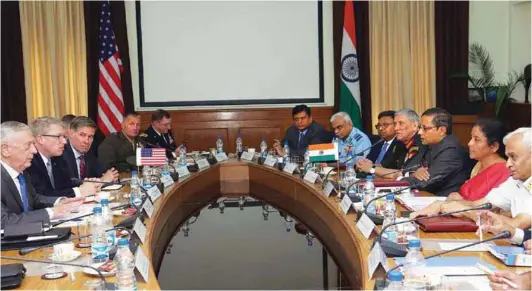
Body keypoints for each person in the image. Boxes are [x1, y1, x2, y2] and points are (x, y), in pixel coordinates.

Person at [414, 128, 532, 230]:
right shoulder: (515, 180)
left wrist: (465, 211)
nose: (508, 164)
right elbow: (481, 204)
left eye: (513, 157)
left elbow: (516, 225)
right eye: (508, 157)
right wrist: (442, 204)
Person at [411, 119, 510, 217]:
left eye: (476, 139)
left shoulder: (504, 171)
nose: (470, 143)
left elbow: (489, 208)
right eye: (471, 138)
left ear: (494, 146)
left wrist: (460, 202)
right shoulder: (478, 165)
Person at [1, 121, 83, 227]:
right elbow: (4, 222)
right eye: (28, 145)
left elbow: (33, 198)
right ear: (5, 150)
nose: (34, 150)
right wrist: (51, 212)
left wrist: (60, 201)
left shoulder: (22, 172)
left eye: (33, 144)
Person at [401, 107, 470, 196]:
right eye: (420, 128)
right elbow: (410, 166)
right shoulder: (428, 143)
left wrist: (400, 181)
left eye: (425, 128)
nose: (420, 132)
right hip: (427, 196)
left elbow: (426, 182)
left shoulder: (451, 151)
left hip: (445, 201)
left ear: (442, 130)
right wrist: (413, 173)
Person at [26, 117, 100, 198]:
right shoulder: (29, 161)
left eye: (64, 137)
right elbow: (42, 196)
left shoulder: (56, 158)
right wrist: (79, 191)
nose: (64, 142)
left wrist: (86, 183)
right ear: (40, 139)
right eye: (58, 137)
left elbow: (65, 183)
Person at [356, 109, 424, 178]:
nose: (396, 128)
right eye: (395, 124)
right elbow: (388, 166)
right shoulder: (401, 144)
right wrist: (368, 164)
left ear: (415, 125)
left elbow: (405, 173)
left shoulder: (419, 143)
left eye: (401, 123)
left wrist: (372, 169)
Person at [63, 116, 119, 182]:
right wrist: (101, 180)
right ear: (71, 133)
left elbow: (102, 172)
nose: (87, 141)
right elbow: (69, 183)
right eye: (82, 135)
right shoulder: (62, 153)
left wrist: (112, 176)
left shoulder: (88, 152)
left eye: (90, 136)